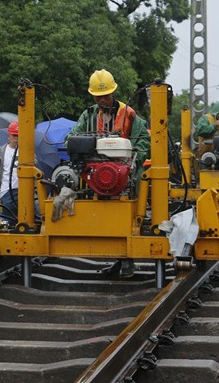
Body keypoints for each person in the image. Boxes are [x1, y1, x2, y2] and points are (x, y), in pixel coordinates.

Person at [69, 69, 151, 279]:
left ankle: (127, 261)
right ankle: (116, 258)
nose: (102, 100)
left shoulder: (129, 115)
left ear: (113, 92)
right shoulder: (88, 115)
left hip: (124, 177)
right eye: (98, 97)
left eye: (105, 96)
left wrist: (133, 160)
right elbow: (71, 137)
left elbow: (144, 141)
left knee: (126, 219)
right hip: (95, 176)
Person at [0, 122, 42, 226]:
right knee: (10, 223)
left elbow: (35, 165)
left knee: (32, 220)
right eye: (14, 135)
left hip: (25, 191)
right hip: (6, 192)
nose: (16, 138)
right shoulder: (0, 152)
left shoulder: (27, 151)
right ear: (8, 136)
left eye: (18, 136)